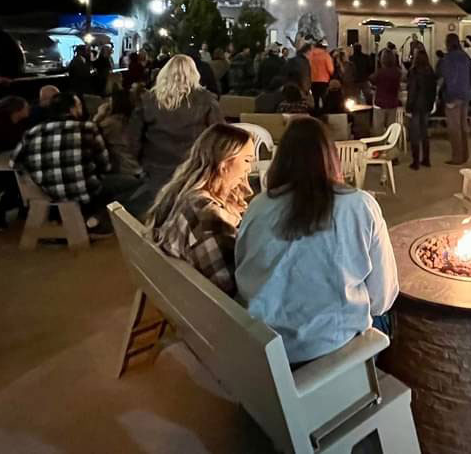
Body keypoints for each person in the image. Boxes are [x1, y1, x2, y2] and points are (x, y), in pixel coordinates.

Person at [234, 117, 398, 364]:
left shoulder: (258, 206)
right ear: (331, 158)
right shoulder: (359, 206)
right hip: (326, 352)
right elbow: (382, 299)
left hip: (262, 349)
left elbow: (243, 267)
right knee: (388, 315)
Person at [14, 92, 146, 233]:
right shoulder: (88, 128)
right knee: (137, 184)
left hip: (47, 191)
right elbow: (105, 166)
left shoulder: (32, 132)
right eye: (79, 105)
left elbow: (15, 162)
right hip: (85, 190)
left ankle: (93, 216)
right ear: (72, 109)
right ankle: (100, 219)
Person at [147, 124, 255, 295]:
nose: (250, 169)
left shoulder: (179, 192)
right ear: (224, 163)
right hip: (215, 310)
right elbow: (228, 286)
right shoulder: (209, 217)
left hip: (183, 293)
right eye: (247, 160)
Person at [129, 54, 224, 196]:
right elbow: (220, 139)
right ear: (194, 74)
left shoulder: (147, 101)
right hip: (193, 173)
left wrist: (139, 168)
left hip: (155, 172)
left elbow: (133, 140)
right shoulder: (207, 100)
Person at [436, 33, 471, 165]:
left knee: (454, 128)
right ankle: (465, 154)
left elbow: (444, 78)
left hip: (453, 96)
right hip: (465, 95)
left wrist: (445, 95)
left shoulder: (447, 59)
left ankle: (457, 157)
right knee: (463, 126)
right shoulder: (465, 56)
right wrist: (469, 88)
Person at [94, 90, 143, 178]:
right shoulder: (135, 120)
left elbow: (89, 133)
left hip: (124, 171)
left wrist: (99, 115)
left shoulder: (109, 124)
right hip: (139, 168)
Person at [406, 48, 437, 169]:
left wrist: (408, 106)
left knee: (415, 134)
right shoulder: (431, 72)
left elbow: (412, 91)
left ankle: (415, 162)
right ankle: (426, 159)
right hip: (427, 105)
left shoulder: (414, 72)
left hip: (416, 105)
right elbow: (434, 90)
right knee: (425, 133)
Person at [370, 49, 402, 135]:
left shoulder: (379, 72)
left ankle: (379, 146)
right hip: (393, 102)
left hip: (380, 103)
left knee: (378, 129)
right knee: (390, 128)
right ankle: (390, 145)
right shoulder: (397, 72)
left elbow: (371, 80)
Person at [308, 41, 335, 112]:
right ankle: (324, 114)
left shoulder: (310, 55)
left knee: (315, 99)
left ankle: (316, 113)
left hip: (313, 80)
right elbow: (330, 69)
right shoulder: (326, 55)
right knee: (324, 99)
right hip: (324, 81)